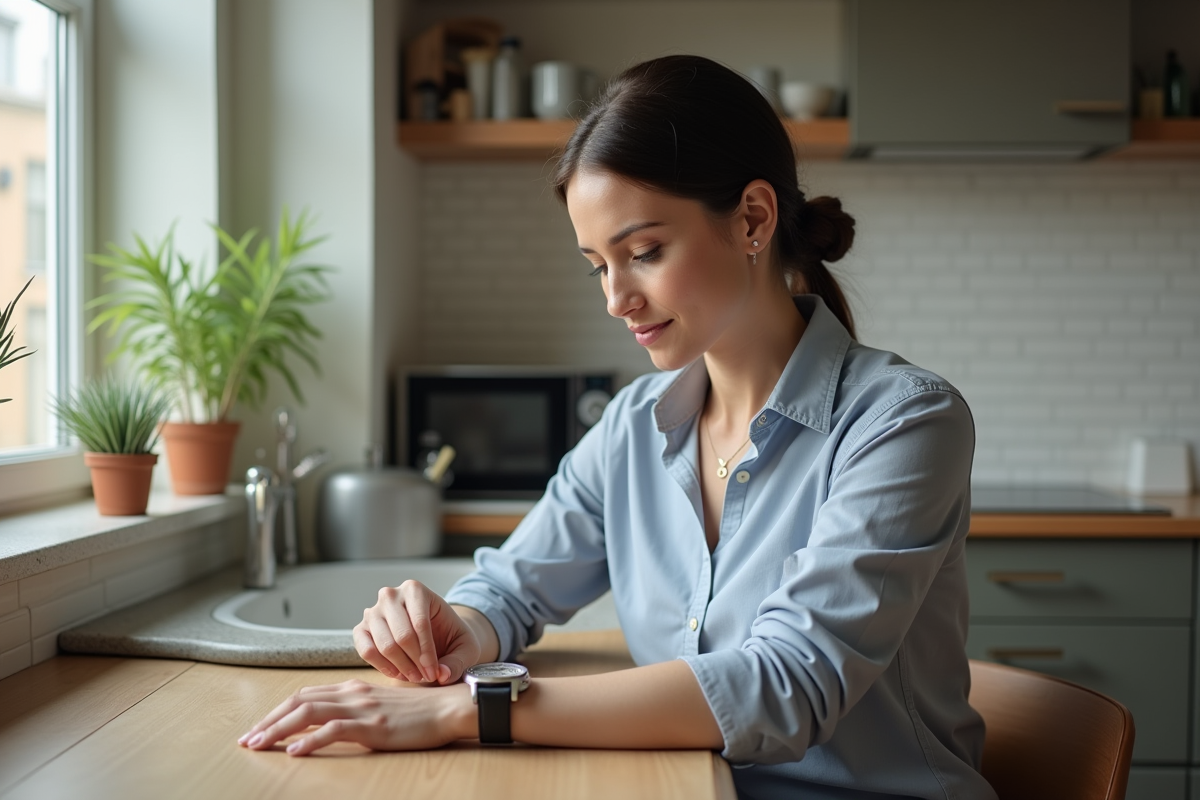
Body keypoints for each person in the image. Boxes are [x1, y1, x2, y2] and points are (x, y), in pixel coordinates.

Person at [239, 54, 996, 800]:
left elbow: (786, 684)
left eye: (643, 253)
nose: (616, 299)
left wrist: (467, 709)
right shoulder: (634, 426)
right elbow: (513, 589)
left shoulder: (903, 422)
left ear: (753, 219)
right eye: (598, 266)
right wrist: (457, 628)